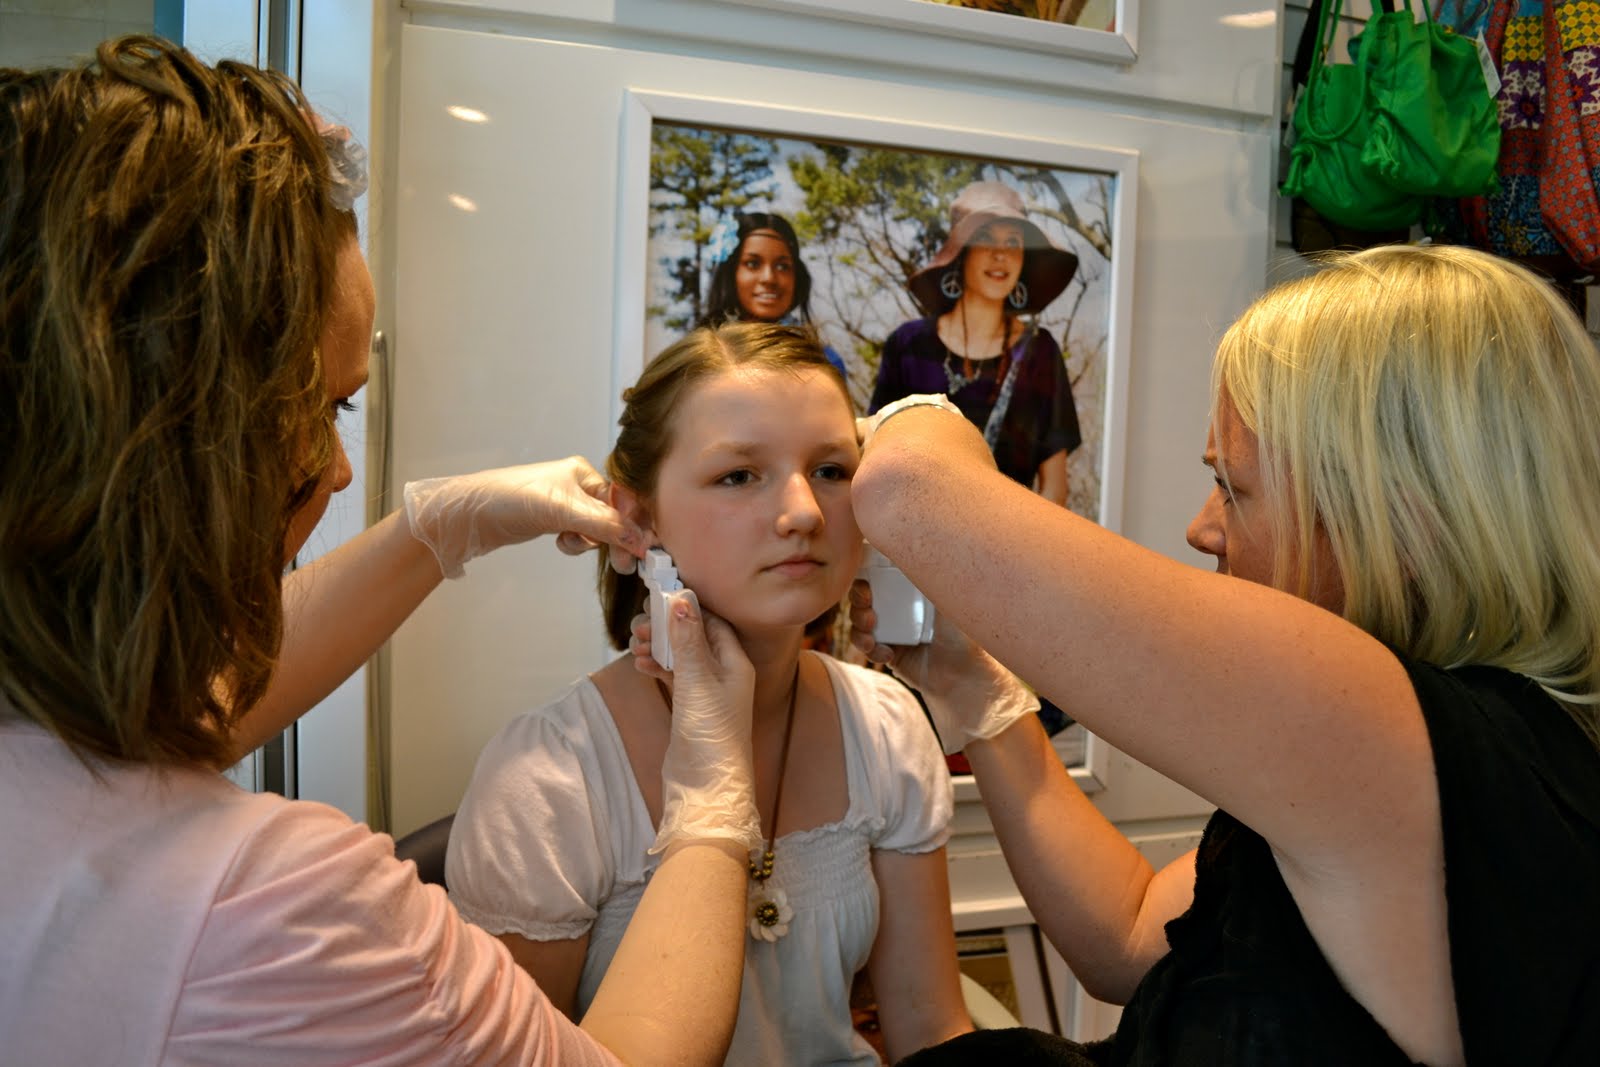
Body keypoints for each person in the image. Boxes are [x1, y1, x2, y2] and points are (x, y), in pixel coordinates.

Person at [0, 36, 763, 1066]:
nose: (338, 475)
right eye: (321, 409)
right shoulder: (271, 911)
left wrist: (432, 531)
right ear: (169, 441)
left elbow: (157, 726)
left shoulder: (48, 729)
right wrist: (715, 808)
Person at [845, 244, 1600, 1065]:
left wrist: (901, 419)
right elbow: (1128, 934)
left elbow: (905, 485)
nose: (1202, 528)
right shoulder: (1481, 741)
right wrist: (976, 686)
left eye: (1234, 488)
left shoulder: (1391, 736)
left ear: (1403, 519)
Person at [445, 322, 974, 1066]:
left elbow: (933, 1035)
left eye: (830, 469)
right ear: (640, 517)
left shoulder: (886, 728)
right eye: (739, 476)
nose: (804, 512)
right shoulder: (548, 779)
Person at [869, 180, 1083, 508]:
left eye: (1013, 242)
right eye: (985, 239)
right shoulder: (909, 345)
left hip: (1009, 545)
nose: (1000, 255)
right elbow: (875, 456)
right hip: (913, 546)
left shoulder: (1041, 351)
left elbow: (1054, 488)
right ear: (960, 252)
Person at [697, 211, 848, 378]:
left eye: (782, 266)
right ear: (731, 273)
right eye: (753, 264)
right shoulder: (699, 359)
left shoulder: (823, 362)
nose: (769, 278)